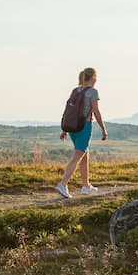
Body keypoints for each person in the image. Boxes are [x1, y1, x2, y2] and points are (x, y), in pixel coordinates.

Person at [56, 67, 106, 199]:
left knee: (85, 155)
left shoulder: (75, 90)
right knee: (77, 157)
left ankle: (86, 186)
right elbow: (96, 112)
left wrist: (64, 129)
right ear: (93, 78)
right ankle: (63, 184)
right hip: (84, 127)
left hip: (72, 127)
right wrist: (103, 129)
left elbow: (69, 110)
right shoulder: (93, 92)